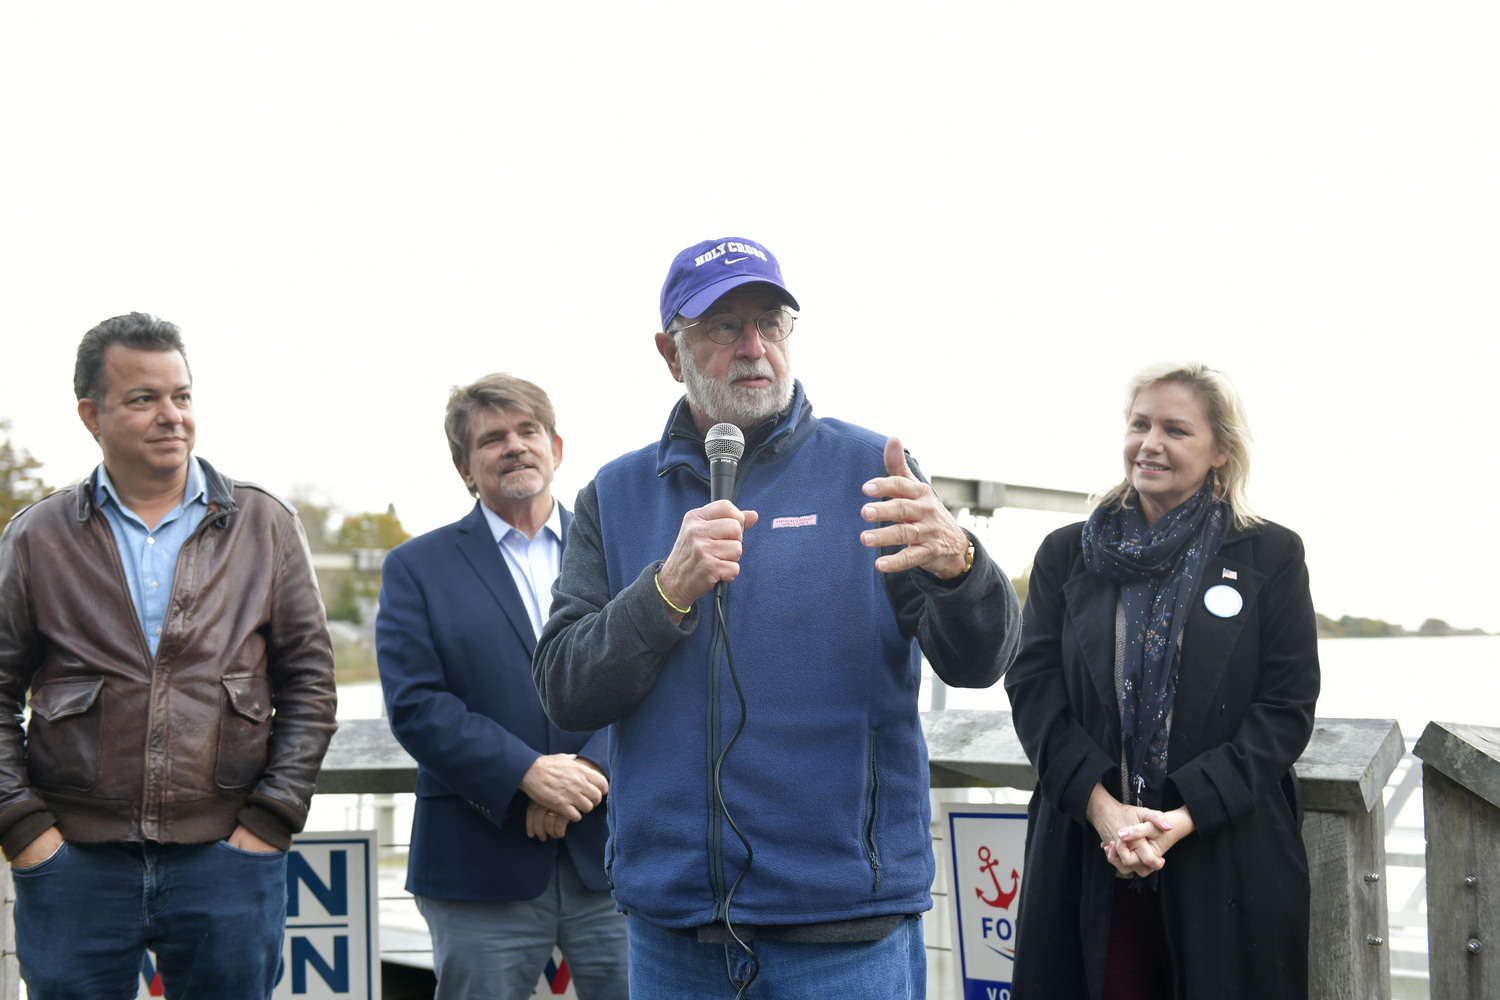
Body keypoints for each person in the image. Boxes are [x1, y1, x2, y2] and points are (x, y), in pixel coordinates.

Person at [533, 236, 1021, 998]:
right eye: (724, 327)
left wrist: (961, 563)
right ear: (671, 352)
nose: (754, 348)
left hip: (843, 935)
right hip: (672, 937)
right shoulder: (614, 495)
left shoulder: (874, 471)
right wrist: (664, 592)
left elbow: (978, 661)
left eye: (771, 323)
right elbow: (565, 690)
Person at [0, 312, 339, 1000]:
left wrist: (268, 825)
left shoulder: (262, 524)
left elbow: (309, 684)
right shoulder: (38, 537)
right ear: (91, 415)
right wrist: (25, 829)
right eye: (143, 398)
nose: (171, 416)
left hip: (228, 860)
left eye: (182, 396)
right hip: (74, 862)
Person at [1003, 362, 1320, 1000]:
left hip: (1224, 856)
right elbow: (1033, 689)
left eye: (1176, 430)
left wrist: (1181, 817)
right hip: (1088, 853)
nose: (1150, 444)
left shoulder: (1270, 555)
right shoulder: (1066, 553)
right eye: (1140, 424)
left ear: (1221, 451)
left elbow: (1285, 709)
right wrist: (1107, 814)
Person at [376, 374, 627, 1000]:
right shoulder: (415, 568)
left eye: (527, 431)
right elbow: (416, 704)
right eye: (492, 439)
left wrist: (582, 776)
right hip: (478, 862)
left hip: (617, 853)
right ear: (465, 468)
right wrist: (526, 774)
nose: (514, 446)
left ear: (556, 448)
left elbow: (650, 676)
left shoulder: (620, 554)